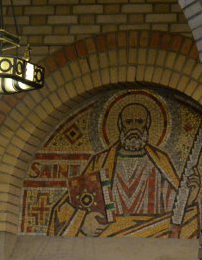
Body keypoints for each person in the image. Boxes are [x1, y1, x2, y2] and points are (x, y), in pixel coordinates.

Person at [49, 102, 194, 238]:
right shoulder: (101, 161)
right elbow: (67, 205)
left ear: (148, 124)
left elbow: (177, 208)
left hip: (153, 233)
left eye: (139, 121)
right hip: (105, 236)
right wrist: (83, 221)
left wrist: (193, 192)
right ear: (120, 125)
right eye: (128, 122)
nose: (134, 127)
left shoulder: (160, 161)